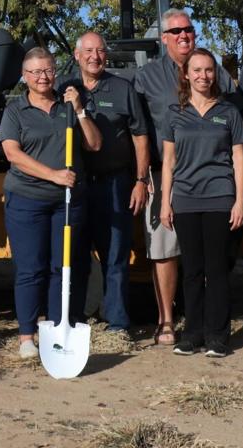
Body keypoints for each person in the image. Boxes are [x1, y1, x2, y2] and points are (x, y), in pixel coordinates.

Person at [134, 8, 236, 346]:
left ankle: (213, 327)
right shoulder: (148, 78)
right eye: (176, 31)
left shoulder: (216, 75)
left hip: (215, 182)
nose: (183, 36)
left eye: (188, 29)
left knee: (211, 261)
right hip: (168, 177)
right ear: (164, 38)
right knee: (169, 252)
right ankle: (171, 323)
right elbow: (140, 130)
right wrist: (144, 178)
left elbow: (234, 126)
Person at [0, 47, 101, 358]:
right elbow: (13, 154)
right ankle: (27, 336)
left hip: (66, 203)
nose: (43, 77)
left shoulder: (68, 105)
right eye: (36, 72)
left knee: (62, 268)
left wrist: (79, 111)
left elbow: (94, 144)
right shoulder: (15, 110)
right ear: (24, 76)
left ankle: (57, 328)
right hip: (27, 199)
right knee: (31, 269)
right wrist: (53, 175)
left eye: (48, 70)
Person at [159, 48, 243, 358]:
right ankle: (192, 334)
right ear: (186, 74)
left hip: (220, 197)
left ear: (215, 74)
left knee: (217, 269)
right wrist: (165, 202)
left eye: (209, 70)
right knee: (192, 270)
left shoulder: (229, 112)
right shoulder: (174, 113)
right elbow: (169, 161)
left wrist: (239, 200)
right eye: (196, 70)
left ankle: (218, 337)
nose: (203, 76)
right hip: (185, 199)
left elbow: (239, 158)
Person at [62, 32, 150, 337]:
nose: (94, 56)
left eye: (100, 51)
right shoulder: (63, 88)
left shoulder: (123, 89)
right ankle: (73, 319)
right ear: (77, 55)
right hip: (74, 185)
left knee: (115, 255)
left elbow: (140, 136)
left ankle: (117, 323)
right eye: (88, 51)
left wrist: (141, 180)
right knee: (75, 256)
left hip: (114, 183)